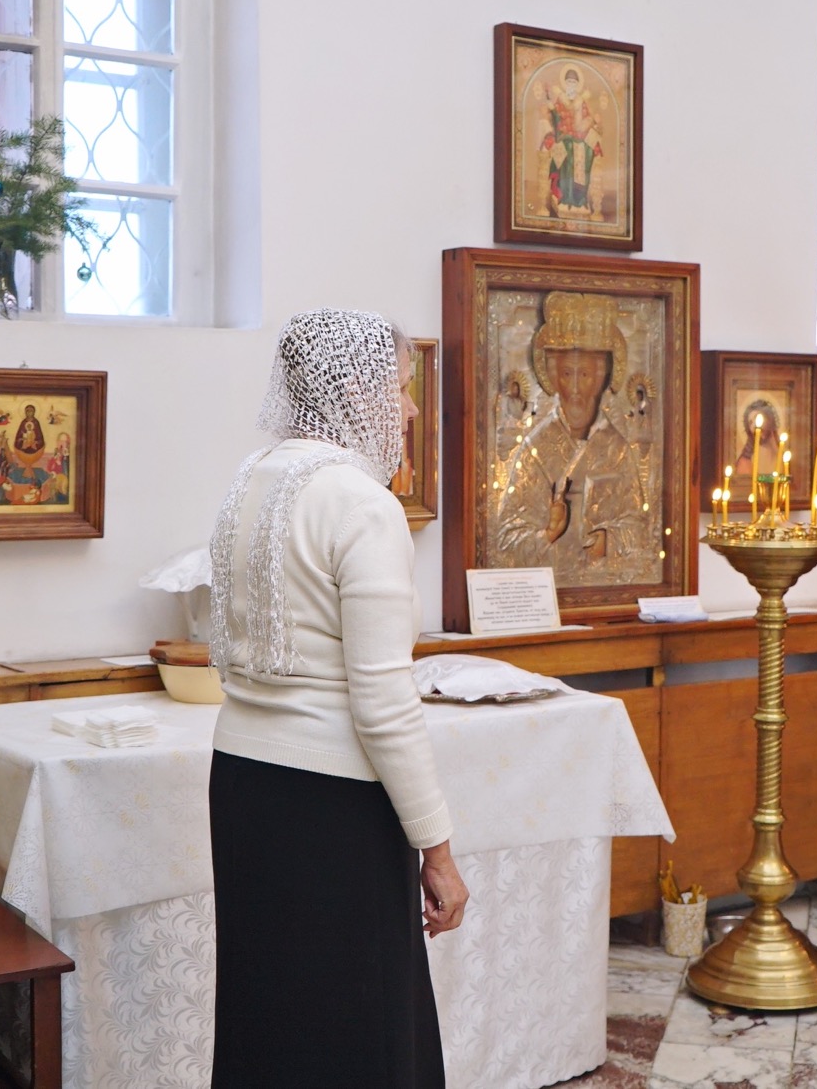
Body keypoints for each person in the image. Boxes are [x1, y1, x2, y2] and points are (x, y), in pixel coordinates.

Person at [208, 308, 466, 1088]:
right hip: (333, 802)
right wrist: (439, 851)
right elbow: (382, 702)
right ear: (356, 389)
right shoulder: (360, 502)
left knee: (268, 1014)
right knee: (357, 1024)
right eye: (402, 387)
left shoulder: (249, 481)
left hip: (243, 782)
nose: (410, 410)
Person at [496, 291, 650, 584]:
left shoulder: (616, 447)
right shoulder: (535, 448)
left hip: (604, 589)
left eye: (586, 375)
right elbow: (504, 539)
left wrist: (608, 540)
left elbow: (641, 526)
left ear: (601, 379)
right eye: (567, 374)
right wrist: (548, 534)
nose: (576, 389)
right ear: (554, 378)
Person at [540, 67, 604, 218]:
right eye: (568, 82)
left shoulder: (582, 102)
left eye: (574, 82)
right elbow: (555, 118)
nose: (571, 85)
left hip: (579, 137)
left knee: (587, 152)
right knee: (568, 151)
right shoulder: (560, 100)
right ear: (565, 84)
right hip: (564, 137)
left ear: (577, 84)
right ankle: (565, 198)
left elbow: (588, 119)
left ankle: (580, 200)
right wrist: (551, 107)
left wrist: (590, 123)